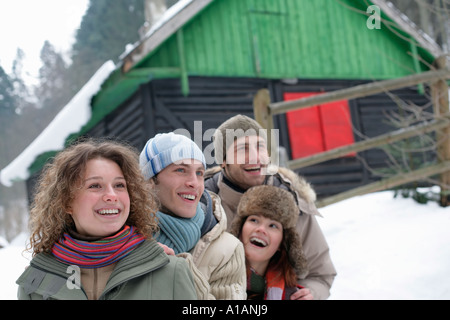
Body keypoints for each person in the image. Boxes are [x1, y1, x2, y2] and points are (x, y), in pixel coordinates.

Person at [16, 138, 197, 300]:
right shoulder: (36, 283)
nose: (111, 195)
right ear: (66, 202)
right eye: (95, 186)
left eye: (119, 185)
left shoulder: (170, 272)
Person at [204, 114, 337, 300]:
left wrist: (311, 293)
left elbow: (320, 274)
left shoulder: (292, 203)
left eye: (260, 147)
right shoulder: (202, 204)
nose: (255, 157)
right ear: (223, 160)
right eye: (242, 149)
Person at [139, 132, 246, 300]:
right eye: (181, 170)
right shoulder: (122, 238)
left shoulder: (228, 249)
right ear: (149, 182)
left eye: (199, 173)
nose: (194, 183)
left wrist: (176, 269)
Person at [230, 185, 308, 300]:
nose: (261, 229)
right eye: (254, 220)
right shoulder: (212, 274)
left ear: (281, 244)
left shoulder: (292, 296)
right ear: (239, 230)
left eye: (273, 225)